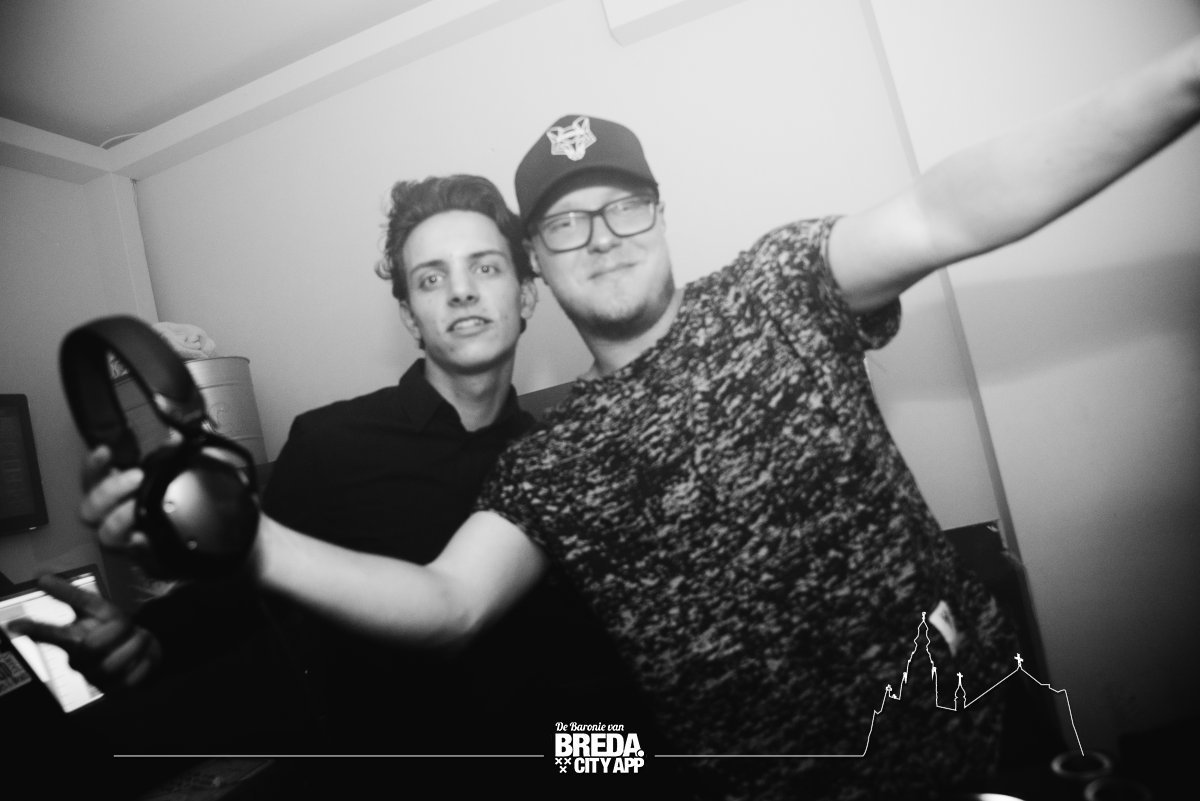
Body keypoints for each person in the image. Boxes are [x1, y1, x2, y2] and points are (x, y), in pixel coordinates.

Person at [73, 35, 1200, 800]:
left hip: (973, 741)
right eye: (567, 224)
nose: (602, 236)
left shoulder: (777, 288)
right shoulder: (538, 465)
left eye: (625, 207)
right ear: (539, 267)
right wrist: (231, 553)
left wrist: (1180, 81)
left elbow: (946, 209)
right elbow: (441, 604)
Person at [15, 174, 649, 758]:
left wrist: (617, 770)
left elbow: (588, 668)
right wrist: (144, 642)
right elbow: (237, 598)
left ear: (527, 294)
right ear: (410, 316)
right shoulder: (331, 443)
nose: (461, 290)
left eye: (485, 267)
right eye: (431, 279)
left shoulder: (555, 463)